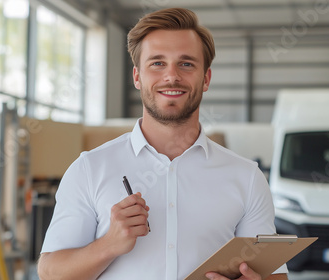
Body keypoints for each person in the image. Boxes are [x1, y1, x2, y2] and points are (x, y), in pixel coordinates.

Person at [37, 7, 288, 280]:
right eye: (157, 63)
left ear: (206, 79)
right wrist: (108, 244)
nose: (172, 76)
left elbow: (274, 274)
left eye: (186, 63)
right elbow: (50, 273)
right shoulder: (89, 169)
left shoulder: (247, 178)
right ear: (137, 77)